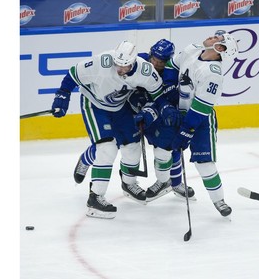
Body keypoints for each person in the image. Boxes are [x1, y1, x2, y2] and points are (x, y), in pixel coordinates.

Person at [51, 40, 173, 219]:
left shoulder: (145, 71)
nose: (120, 69)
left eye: (125, 66)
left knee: (132, 148)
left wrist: (163, 108)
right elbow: (73, 74)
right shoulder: (102, 62)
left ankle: (128, 184)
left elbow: (158, 95)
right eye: (118, 64)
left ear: (134, 62)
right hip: (94, 104)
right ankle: (95, 197)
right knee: (107, 148)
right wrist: (62, 95)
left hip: (120, 106)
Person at [74, 39, 197, 202]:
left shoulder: (170, 73)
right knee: (109, 146)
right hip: (128, 110)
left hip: (153, 114)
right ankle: (86, 159)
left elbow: (164, 97)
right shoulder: (133, 63)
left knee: (168, 145)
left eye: (160, 61)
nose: (155, 63)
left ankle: (172, 182)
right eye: (154, 58)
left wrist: (161, 109)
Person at [169, 31, 239, 217]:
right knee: (170, 150)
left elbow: (201, 107)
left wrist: (186, 131)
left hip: (200, 120)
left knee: (204, 163)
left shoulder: (212, 73)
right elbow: (171, 67)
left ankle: (219, 200)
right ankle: (171, 184)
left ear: (220, 49)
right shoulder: (193, 49)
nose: (212, 37)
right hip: (177, 112)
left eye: (218, 39)